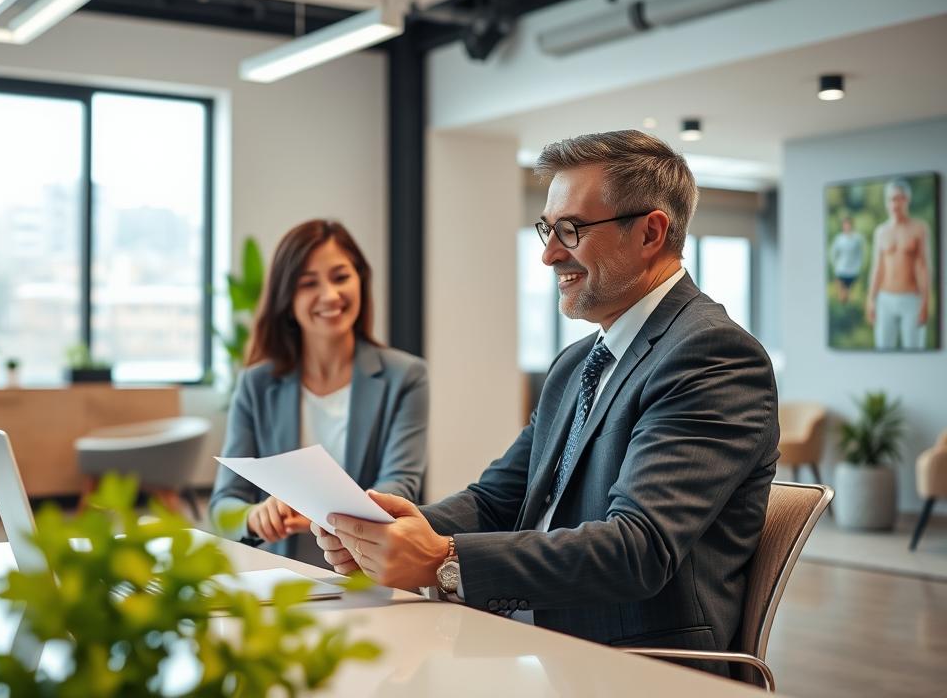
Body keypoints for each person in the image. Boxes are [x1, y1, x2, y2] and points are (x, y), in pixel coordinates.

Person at [312, 131, 779, 676]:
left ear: (650, 232)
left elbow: (638, 548)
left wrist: (443, 560)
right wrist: (388, 533)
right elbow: (496, 501)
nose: (548, 254)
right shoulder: (578, 363)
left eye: (571, 230)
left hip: (638, 666)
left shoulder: (711, 355)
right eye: (547, 229)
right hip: (528, 640)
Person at [210, 219, 429, 568]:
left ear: (361, 280)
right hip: (279, 582)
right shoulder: (257, 384)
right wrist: (257, 516)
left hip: (369, 575)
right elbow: (223, 507)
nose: (329, 295)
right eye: (308, 283)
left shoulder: (406, 376)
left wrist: (325, 509)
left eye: (341, 277)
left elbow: (399, 486)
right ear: (287, 299)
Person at [866, 179, 931, 350]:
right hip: (885, 299)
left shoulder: (919, 228)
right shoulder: (881, 232)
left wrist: (925, 302)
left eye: (899, 198)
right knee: (882, 348)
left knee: (915, 349)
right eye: (891, 199)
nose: (895, 203)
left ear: (907, 200)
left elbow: (923, 266)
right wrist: (870, 299)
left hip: (911, 299)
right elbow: (877, 268)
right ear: (887, 202)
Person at [829, 216, 864, 304]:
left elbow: (859, 254)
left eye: (848, 224)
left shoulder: (857, 238)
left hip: (853, 271)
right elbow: (833, 253)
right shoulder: (839, 238)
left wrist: (858, 266)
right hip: (841, 270)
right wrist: (836, 265)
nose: (847, 226)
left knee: (851, 294)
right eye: (845, 224)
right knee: (841, 291)